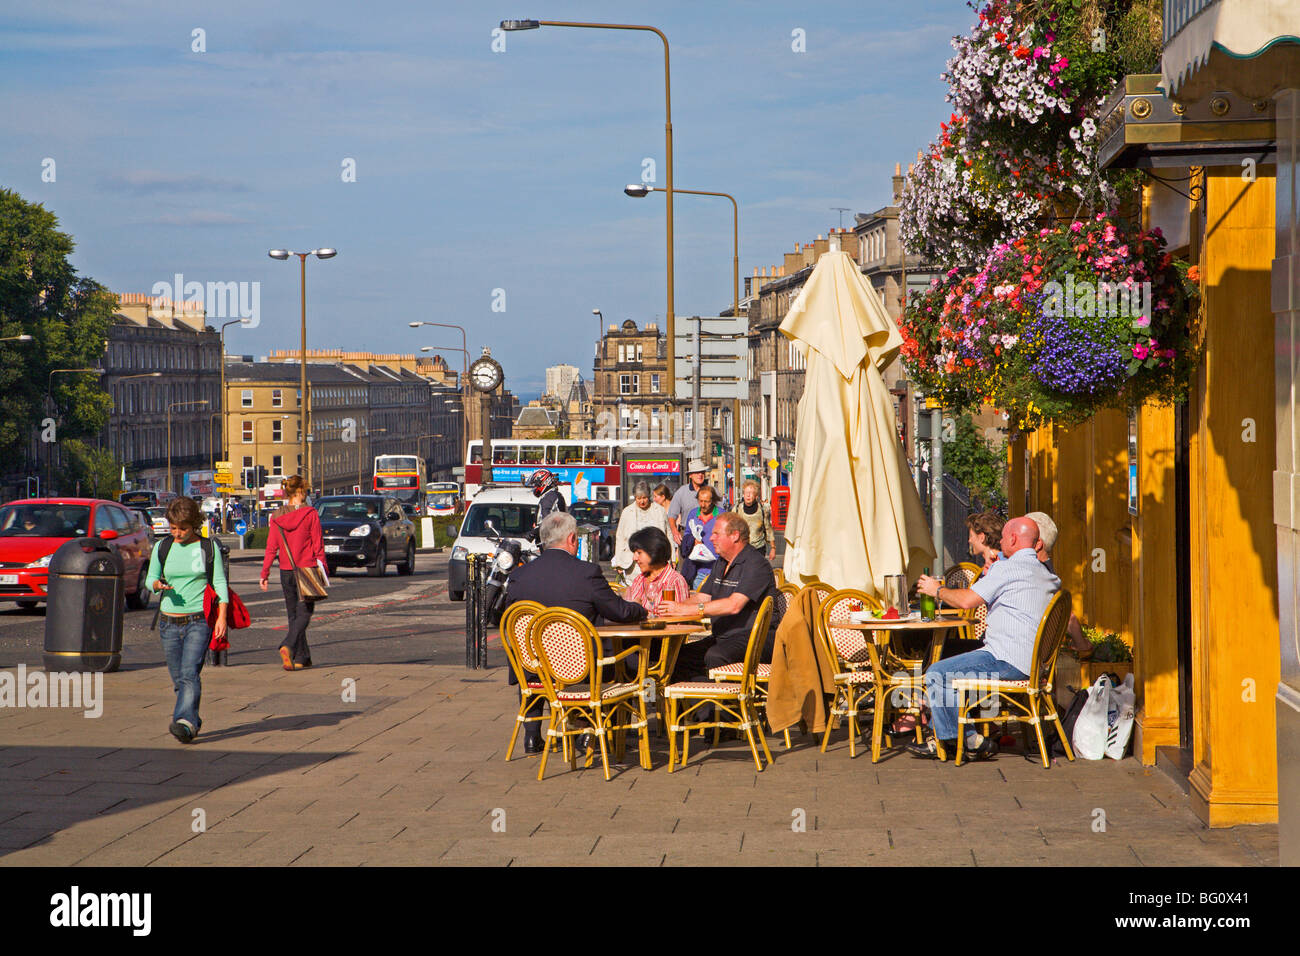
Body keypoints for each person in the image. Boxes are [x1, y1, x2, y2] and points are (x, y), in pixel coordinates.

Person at [912, 516, 1060, 761]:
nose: (1000, 542)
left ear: (1012, 538)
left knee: (937, 673)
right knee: (949, 662)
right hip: (1034, 664)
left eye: (1003, 538)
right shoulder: (1045, 574)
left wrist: (936, 590)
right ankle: (958, 736)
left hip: (1007, 660)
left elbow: (966, 601)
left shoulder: (1009, 569)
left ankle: (962, 739)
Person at [505, 511, 647, 753]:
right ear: (572, 539)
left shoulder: (518, 576)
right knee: (615, 656)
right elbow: (619, 612)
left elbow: (511, 621)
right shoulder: (586, 573)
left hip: (534, 667)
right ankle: (589, 728)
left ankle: (531, 735)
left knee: (532, 653)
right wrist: (641, 609)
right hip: (578, 667)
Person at [658, 512, 783, 681]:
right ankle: (696, 706)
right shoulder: (722, 562)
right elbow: (703, 596)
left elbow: (734, 605)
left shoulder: (755, 563)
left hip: (756, 639)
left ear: (735, 536)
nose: (710, 538)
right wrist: (674, 608)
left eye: (716, 533)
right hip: (724, 636)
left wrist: (685, 609)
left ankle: (724, 706)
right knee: (677, 657)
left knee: (714, 656)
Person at [145, 496, 228, 744]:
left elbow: (220, 583)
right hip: (168, 622)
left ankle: (183, 721)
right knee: (178, 679)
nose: (177, 534)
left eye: (183, 528)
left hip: (198, 621)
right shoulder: (163, 547)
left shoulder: (207, 547)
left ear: (194, 525)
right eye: (173, 528)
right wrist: (157, 585)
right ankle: (192, 720)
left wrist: (222, 616)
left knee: (189, 673)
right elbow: (150, 578)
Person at [260, 475, 326, 671]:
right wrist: (323, 569)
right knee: (305, 612)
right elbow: (318, 545)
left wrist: (264, 573)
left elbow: (271, 547)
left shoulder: (277, 516)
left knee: (293, 615)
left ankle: (301, 657)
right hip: (306, 569)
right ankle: (288, 645)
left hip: (286, 570)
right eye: (305, 491)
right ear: (300, 492)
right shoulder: (310, 514)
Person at [612, 481, 671, 583]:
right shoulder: (627, 512)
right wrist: (619, 562)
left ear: (649, 496)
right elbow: (620, 537)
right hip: (632, 563)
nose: (642, 501)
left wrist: (671, 558)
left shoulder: (660, 511)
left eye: (644, 498)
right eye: (638, 498)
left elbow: (668, 535)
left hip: (655, 561)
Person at [622, 527, 689, 612]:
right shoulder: (639, 580)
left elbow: (679, 619)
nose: (634, 558)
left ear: (654, 551)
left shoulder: (675, 581)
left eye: (639, 553)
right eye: (634, 553)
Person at [679, 485, 723, 589]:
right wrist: (692, 541)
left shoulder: (722, 514)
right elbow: (687, 534)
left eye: (706, 501)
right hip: (698, 570)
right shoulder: (693, 514)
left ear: (713, 501)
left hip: (717, 569)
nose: (703, 505)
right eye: (700, 501)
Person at [666, 459, 709, 547]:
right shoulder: (681, 492)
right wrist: (674, 531)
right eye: (697, 472)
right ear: (690, 475)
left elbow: (721, 514)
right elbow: (671, 515)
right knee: (686, 561)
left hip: (707, 533)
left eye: (702, 472)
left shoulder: (712, 491)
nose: (700, 475)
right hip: (686, 534)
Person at [732, 480, 776, 562]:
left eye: (751, 493)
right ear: (743, 495)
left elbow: (768, 530)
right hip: (741, 548)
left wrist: (773, 548)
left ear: (756, 496)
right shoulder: (737, 509)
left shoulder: (763, 510)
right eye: (746, 493)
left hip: (758, 549)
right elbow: (730, 528)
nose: (748, 495)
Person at [527, 468, 566, 535]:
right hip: (551, 540)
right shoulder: (550, 496)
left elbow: (547, 521)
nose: (535, 488)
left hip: (552, 540)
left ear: (544, 483)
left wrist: (533, 533)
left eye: (536, 485)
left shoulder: (550, 497)